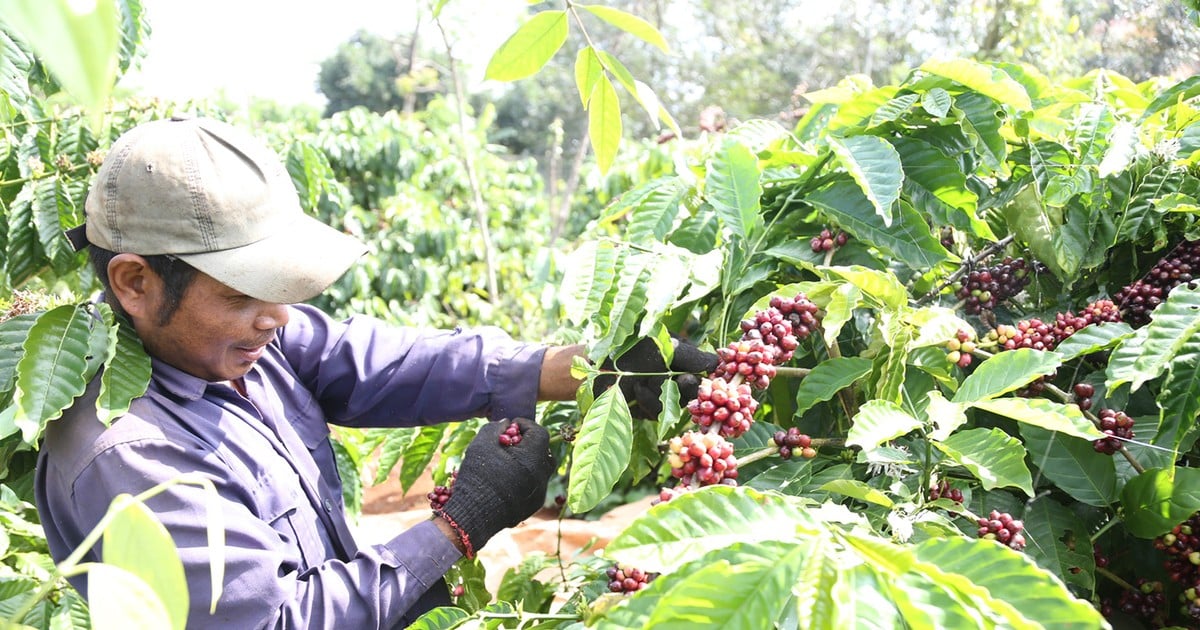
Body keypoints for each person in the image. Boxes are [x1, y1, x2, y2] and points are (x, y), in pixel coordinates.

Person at [35, 115, 715, 628]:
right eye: (242, 293)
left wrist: (577, 370)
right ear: (134, 282)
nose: (276, 318)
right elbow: (281, 621)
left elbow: (382, 362)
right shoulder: (124, 456)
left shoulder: (229, 341)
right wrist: (461, 524)